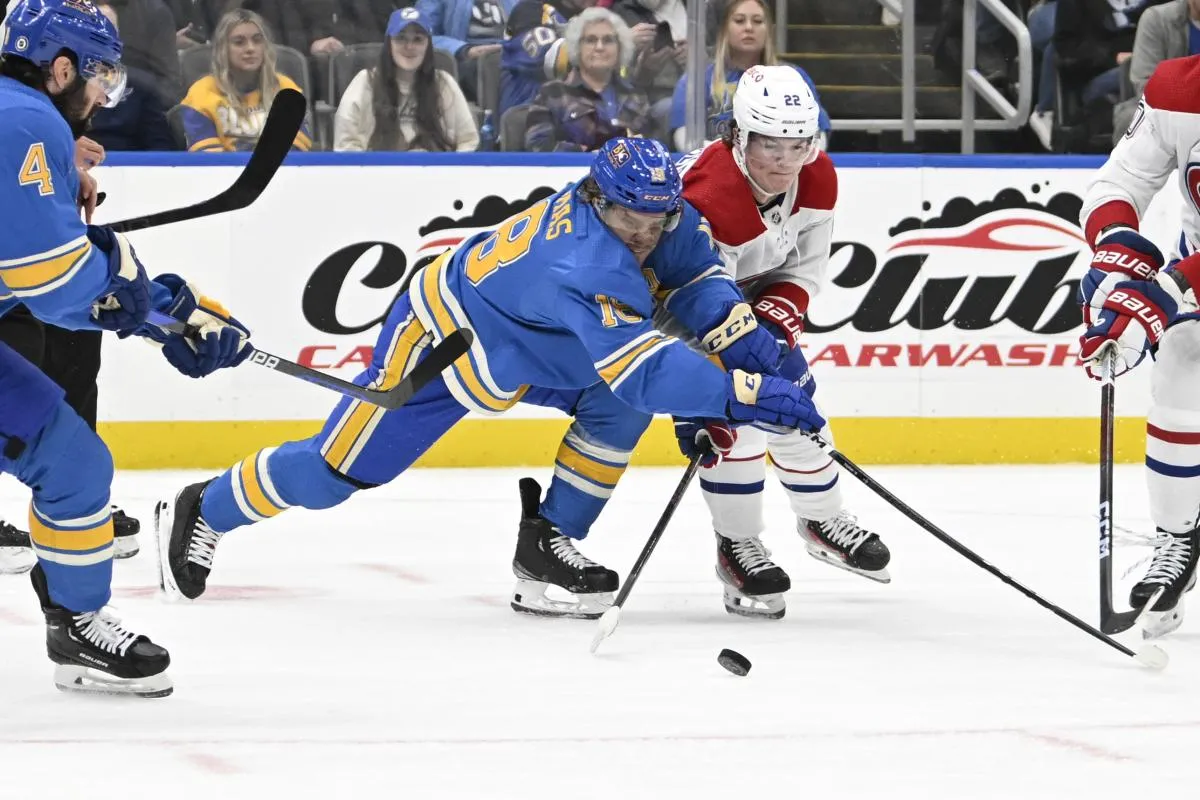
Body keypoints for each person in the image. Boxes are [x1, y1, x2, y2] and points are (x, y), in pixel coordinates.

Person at [154, 137, 825, 620]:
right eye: (631, 221)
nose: (646, 235)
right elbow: (647, 369)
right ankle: (205, 506)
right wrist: (747, 395)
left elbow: (699, 282)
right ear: (597, 201)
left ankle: (547, 545)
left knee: (617, 408)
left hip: (537, 346)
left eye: (657, 220)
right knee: (338, 474)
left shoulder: (655, 212)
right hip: (448, 342)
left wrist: (757, 351)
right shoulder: (586, 260)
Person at [522, 66, 891, 620]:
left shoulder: (818, 177)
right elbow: (683, 293)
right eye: (771, 143)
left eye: (800, 144)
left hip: (744, 304)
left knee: (792, 392)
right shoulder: (703, 194)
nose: (786, 161)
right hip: (666, 312)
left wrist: (773, 319)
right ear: (738, 135)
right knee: (734, 412)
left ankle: (822, 519)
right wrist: (713, 377)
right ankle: (737, 546)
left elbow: (802, 267)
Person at [0, 0, 251, 695]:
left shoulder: (23, 118)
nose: (105, 93)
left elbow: (40, 279)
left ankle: (78, 626)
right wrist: (166, 309)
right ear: (59, 68)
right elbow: (55, 286)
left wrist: (156, 312)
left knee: (75, 462)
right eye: (98, 74)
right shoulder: (24, 120)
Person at [1077, 53, 1200, 639]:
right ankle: (1177, 539)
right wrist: (1116, 248)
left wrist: (1168, 287)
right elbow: (1118, 181)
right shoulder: (1179, 89)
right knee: (1181, 354)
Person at [668, 0, 829, 152]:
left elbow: (817, 135)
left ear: (769, 30)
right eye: (739, 20)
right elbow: (684, 139)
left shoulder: (793, 77)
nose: (749, 27)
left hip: (780, 168)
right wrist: (727, 157)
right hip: (716, 168)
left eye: (758, 21)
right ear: (725, 29)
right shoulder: (698, 78)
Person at [334, 8, 478, 152]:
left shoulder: (444, 84)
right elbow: (345, 145)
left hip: (435, 172)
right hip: (376, 172)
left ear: (428, 45)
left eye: (418, 39)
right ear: (389, 43)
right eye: (401, 38)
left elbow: (468, 141)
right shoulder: (365, 82)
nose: (409, 47)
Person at [180, 7, 311, 152]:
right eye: (239, 42)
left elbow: (296, 151)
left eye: (257, 40)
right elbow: (209, 161)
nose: (250, 48)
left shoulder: (286, 89)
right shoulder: (200, 93)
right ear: (223, 49)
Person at [523, 7, 651, 151]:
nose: (599, 47)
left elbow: (652, 148)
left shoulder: (636, 95)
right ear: (577, 47)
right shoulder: (552, 93)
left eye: (608, 40)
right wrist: (586, 154)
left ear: (620, 48)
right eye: (591, 40)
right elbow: (538, 147)